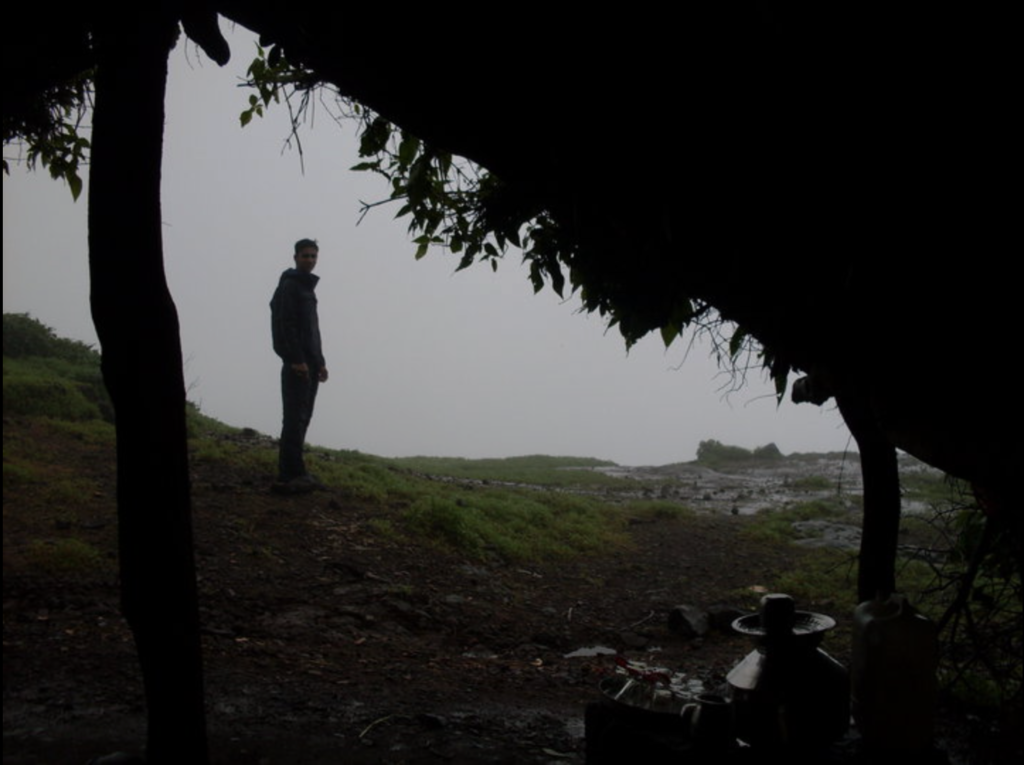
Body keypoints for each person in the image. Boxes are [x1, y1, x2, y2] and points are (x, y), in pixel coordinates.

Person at [271, 238, 328, 492]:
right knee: (294, 418)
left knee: (304, 417)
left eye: (313, 256)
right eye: (305, 256)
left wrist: (320, 362)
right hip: (298, 365)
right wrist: (295, 360)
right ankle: (288, 474)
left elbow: (312, 330)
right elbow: (286, 324)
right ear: (295, 257)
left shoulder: (307, 288)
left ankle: (297, 470)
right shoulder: (290, 286)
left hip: (311, 365)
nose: (310, 260)